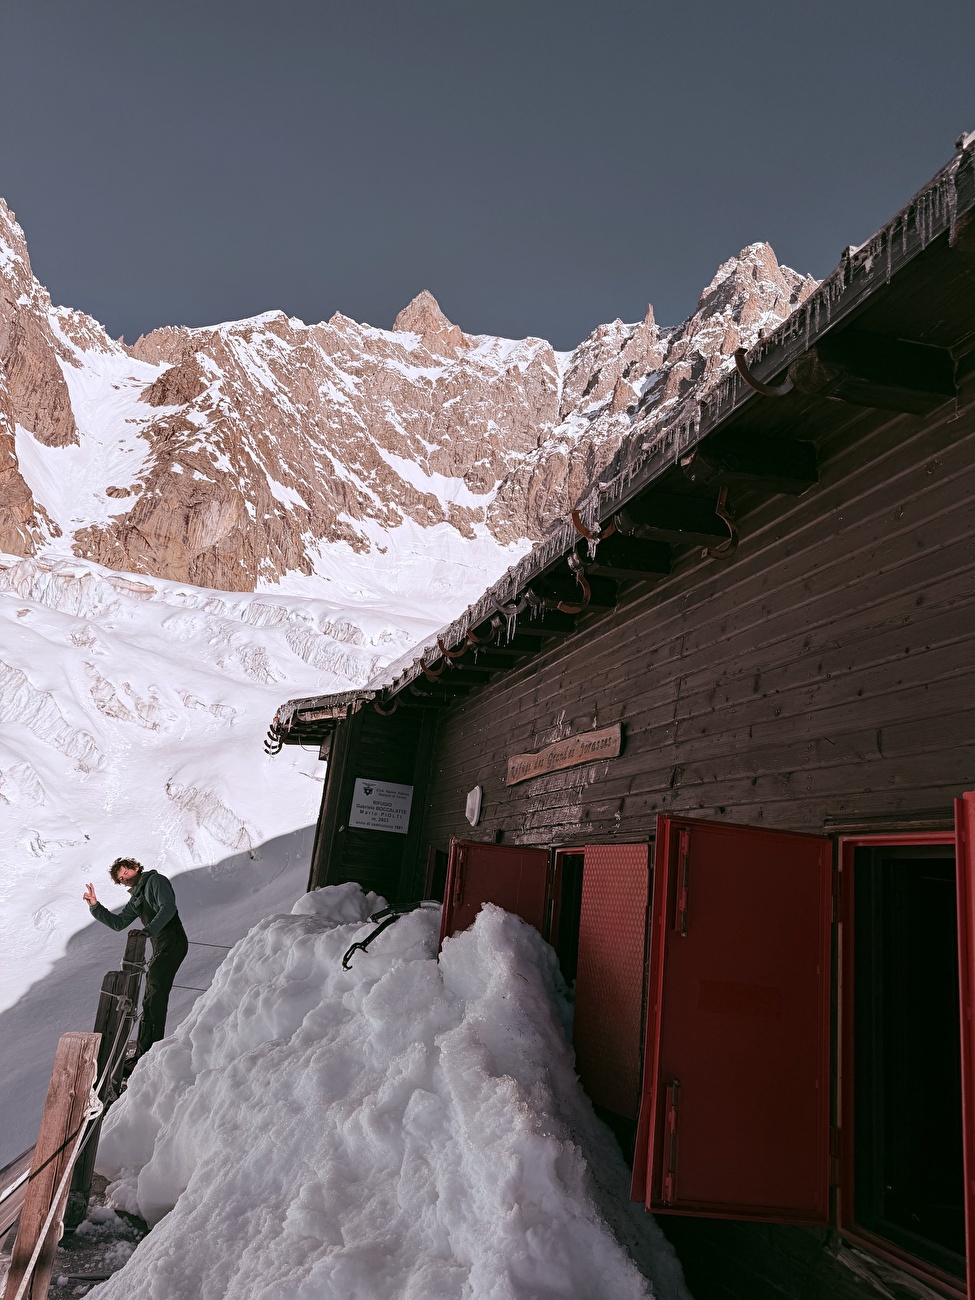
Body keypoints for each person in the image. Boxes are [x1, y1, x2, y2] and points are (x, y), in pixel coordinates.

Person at [84, 857, 188, 1063]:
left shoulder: (155, 881)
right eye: (120, 878)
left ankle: (149, 1053)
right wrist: (95, 906)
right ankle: (145, 1051)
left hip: (172, 940)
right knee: (151, 995)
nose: (123, 878)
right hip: (160, 945)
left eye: (124, 873)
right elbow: (119, 923)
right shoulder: (137, 897)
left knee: (155, 994)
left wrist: (147, 931)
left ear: (136, 868)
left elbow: (168, 907)